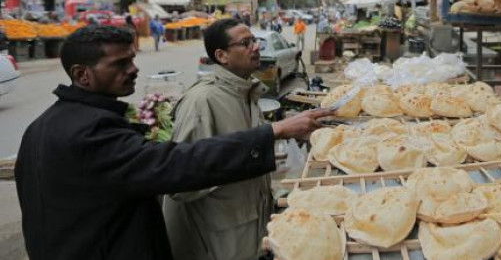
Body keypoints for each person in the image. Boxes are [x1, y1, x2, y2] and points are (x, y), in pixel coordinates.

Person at [15, 25, 332, 260]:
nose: (134, 69)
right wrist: (272, 133)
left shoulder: (46, 125)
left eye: (132, 59)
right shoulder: (89, 133)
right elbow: (179, 164)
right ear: (82, 74)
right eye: (120, 64)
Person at [162, 19, 269, 260]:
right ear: (222, 56)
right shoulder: (203, 102)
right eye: (246, 43)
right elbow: (182, 181)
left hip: (247, 232)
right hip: (217, 240)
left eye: (255, 40)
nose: (256, 47)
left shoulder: (245, 91)